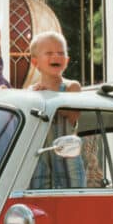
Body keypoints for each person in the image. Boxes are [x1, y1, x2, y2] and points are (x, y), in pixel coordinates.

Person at [27, 31, 85, 188]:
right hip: (41, 156)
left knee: (71, 196)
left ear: (66, 60)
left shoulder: (71, 87)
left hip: (68, 156)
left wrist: (47, 95)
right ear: (35, 62)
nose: (56, 56)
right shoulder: (32, 91)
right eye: (49, 53)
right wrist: (35, 97)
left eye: (61, 53)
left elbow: (72, 115)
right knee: (39, 193)